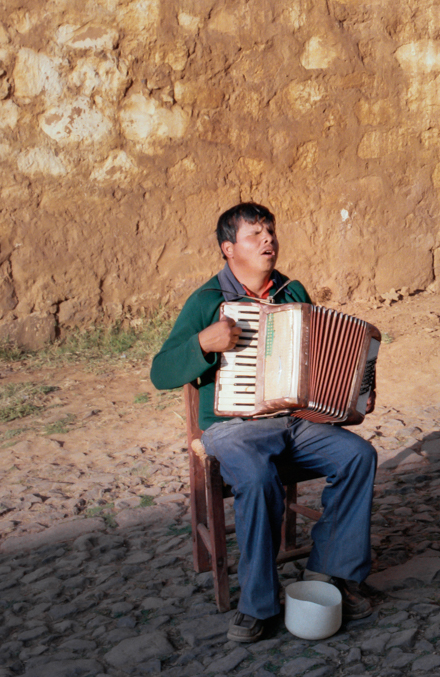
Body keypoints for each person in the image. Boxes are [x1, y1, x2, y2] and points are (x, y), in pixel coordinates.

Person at [150, 202, 377, 642]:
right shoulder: (207, 301)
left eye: (270, 231)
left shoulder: (292, 292)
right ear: (228, 249)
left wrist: (353, 390)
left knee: (357, 455)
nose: (268, 240)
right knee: (256, 477)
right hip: (233, 427)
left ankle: (329, 574)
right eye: (255, 235)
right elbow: (161, 372)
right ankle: (258, 604)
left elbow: (317, 362)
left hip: (295, 421)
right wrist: (203, 342)